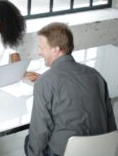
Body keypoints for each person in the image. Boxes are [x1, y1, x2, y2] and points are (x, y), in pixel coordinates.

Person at [25, 22, 117, 156]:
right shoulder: (95, 75)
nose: (39, 52)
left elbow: (40, 131)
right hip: (101, 149)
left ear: (56, 49)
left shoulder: (44, 82)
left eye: (41, 48)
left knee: (29, 141)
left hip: (67, 152)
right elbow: (110, 120)